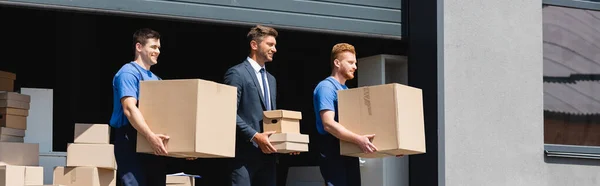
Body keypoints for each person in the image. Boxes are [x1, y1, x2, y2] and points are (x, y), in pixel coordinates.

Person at [109, 28, 169, 186]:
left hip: (153, 142)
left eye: (158, 48)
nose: (157, 51)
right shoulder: (128, 73)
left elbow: (168, 115)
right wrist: (150, 136)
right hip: (131, 141)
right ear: (139, 47)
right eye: (153, 47)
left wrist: (186, 148)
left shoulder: (157, 79)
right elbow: (129, 109)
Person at [313, 43, 378, 186]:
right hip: (333, 151)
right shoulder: (326, 87)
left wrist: (393, 147)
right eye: (350, 62)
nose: (355, 66)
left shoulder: (346, 90)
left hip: (349, 150)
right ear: (337, 63)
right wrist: (358, 140)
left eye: (355, 63)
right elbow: (328, 124)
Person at [223, 25, 281, 186]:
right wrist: (255, 136)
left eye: (275, 45)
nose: (274, 49)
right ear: (254, 45)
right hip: (244, 157)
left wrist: (286, 142)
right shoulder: (237, 73)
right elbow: (227, 113)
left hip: (268, 156)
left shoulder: (271, 79)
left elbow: (272, 117)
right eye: (270, 44)